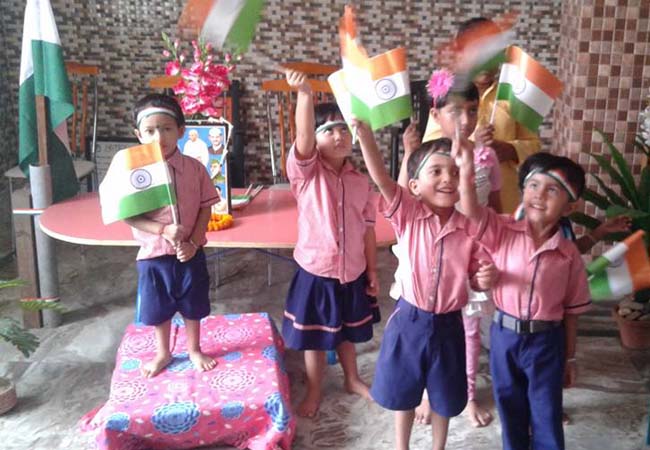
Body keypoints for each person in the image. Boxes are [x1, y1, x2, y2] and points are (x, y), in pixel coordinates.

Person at [357, 119, 497, 450]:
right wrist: (365, 137)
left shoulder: (469, 228)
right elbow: (382, 179)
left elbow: (476, 275)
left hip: (449, 324)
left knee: (444, 395)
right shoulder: (407, 214)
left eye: (454, 172)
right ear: (415, 185)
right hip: (409, 320)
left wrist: (483, 278)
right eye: (436, 171)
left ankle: (438, 447)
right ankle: (401, 446)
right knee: (403, 391)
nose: (447, 178)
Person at [456, 147, 592, 450]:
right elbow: (471, 212)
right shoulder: (502, 229)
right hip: (504, 337)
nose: (539, 194)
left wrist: (570, 358)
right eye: (533, 185)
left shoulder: (568, 254)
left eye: (552, 189)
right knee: (509, 405)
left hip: (547, 342)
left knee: (546, 410)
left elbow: (572, 311)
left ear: (570, 206)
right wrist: (465, 171)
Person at [400, 69, 502, 428]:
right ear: (436, 114)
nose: (465, 120)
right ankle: (428, 392)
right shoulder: (426, 155)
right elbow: (403, 197)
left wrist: (495, 249)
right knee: (425, 331)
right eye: (455, 111)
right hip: (430, 252)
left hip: (469, 255)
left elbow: (496, 206)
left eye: (472, 111)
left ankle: (468, 394)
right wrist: (408, 153)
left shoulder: (485, 155)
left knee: (467, 330)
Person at [281, 70, 379, 418]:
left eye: (344, 129)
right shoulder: (305, 173)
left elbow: (368, 229)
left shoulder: (361, 181)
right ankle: (315, 389)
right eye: (329, 130)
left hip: (352, 271)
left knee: (348, 332)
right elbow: (303, 137)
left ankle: (352, 379)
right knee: (316, 337)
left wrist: (371, 270)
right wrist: (305, 95)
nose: (339, 135)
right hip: (317, 271)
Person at [125, 94, 220, 378]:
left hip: (189, 253)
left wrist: (194, 242)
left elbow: (205, 207)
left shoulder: (195, 169)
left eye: (166, 129)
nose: (159, 137)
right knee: (158, 308)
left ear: (181, 130)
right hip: (154, 255)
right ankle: (163, 352)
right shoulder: (135, 173)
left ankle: (194, 349)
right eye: (150, 131)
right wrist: (163, 230)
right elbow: (130, 216)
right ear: (138, 135)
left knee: (194, 303)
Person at [423, 17, 541, 214]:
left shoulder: (515, 93)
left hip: (504, 203)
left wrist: (511, 149)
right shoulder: (449, 94)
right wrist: (474, 147)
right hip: (455, 207)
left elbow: (534, 146)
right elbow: (430, 148)